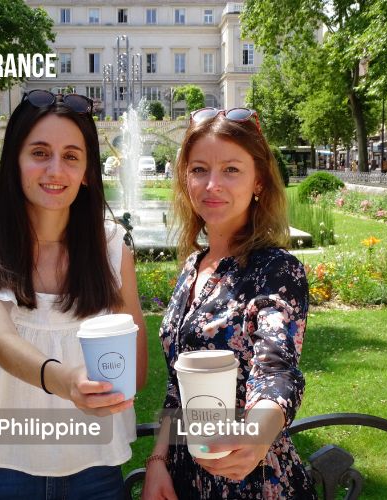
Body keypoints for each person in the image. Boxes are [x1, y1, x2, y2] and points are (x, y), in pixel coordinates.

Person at [0, 89, 147, 499]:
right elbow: (1, 341)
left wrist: (114, 377)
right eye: (39, 152)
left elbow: (134, 372)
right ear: (15, 163)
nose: (55, 170)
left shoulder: (112, 252)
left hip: (94, 468)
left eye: (72, 156)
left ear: (88, 172)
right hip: (1, 470)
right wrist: (69, 380)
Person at [142, 107, 316, 499]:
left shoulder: (275, 270)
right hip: (188, 476)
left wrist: (255, 435)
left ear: (258, 181)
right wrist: (158, 461)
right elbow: (177, 385)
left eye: (231, 170)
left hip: (250, 477)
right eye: (199, 169)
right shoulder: (193, 266)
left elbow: (276, 369)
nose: (211, 184)